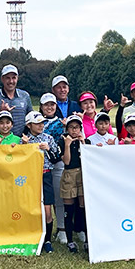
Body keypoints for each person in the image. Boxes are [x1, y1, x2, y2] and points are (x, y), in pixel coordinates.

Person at [22, 111, 60, 253]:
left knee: (47, 210)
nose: (41, 125)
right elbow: (21, 161)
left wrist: (48, 149)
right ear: (29, 125)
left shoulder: (48, 138)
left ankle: (47, 240)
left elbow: (56, 158)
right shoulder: (24, 140)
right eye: (37, 123)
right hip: (31, 178)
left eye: (42, 123)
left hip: (46, 176)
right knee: (32, 209)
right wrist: (24, 147)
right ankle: (33, 236)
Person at [59, 115, 91, 253]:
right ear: (67, 128)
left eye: (77, 127)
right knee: (69, 208)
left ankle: (87, 239)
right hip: (69, 174)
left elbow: (88, 159)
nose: (74, 130)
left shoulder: (86, 141)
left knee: (83, 207)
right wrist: (67, 144)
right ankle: (70, 240)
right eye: (71, 127)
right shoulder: (62, 141)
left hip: (83, 174)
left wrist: (83, 143)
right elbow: (66, 161)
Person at [39, 92, 67, 244]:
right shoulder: (35, 122)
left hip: (57, 163)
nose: (49, 107)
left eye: (52, 104)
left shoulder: (62, 123)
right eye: (46, 105)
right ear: (41, 107)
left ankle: (62, 229)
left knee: (58, 197)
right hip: (40, 166)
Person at [0, 64, 33, 137]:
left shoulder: (25, 96)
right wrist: (0, 113)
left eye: (14, 78)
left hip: (21, 143)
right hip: (0, 143)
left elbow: (31, 120)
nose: (11, 81)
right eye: (7, 78)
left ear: (17, 78)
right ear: (2, 79)